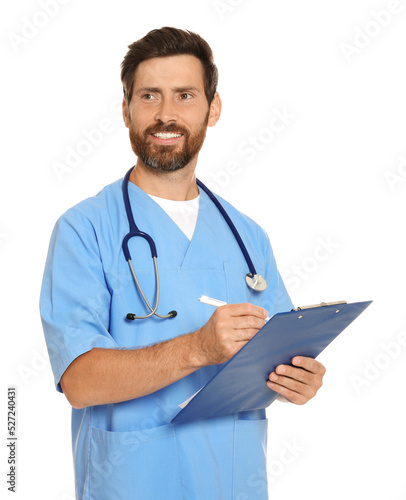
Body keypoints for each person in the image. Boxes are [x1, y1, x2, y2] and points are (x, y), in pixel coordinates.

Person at [40, 27, 326, 500]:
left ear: (213, 109)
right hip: (132, 483)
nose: (166, 114)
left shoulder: (248, 236)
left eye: (185, 95)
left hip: (233, 482)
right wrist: (197, 348)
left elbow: (272, 356)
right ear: (126, 108)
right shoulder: (84, 229)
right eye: (149, 96)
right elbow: (78, 381)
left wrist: (296, 379)